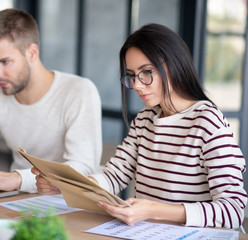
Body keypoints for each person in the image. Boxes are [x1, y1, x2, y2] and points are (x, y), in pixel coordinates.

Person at [33, 23, 247, 229]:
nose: (136, 85)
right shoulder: (145, 120)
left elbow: (233, 210)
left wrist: (154, 210)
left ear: (173, 65)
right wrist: (67, 186)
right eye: (132, 76)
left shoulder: (207, 121)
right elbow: (113, 176)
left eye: (146, 72)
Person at [0, 8, 102, 193]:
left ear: (32, 52)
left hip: (67, 200)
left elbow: (83, 168)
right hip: (17, 198)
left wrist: (18, 179)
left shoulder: (78, 91)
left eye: (4, 62)